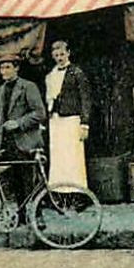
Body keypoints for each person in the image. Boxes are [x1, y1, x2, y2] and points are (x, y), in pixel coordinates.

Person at [0, 53, 43, 215]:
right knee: (14, 181)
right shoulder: (0, 91)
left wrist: (18, 123)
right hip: (7, 143)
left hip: (25, 141)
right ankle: (22, 216)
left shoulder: (28, 86)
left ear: (16, 68)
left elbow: (39, 113)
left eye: (8, 67)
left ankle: (37, 216)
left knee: (29, 181)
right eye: (2, 68)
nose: (4, 71)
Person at [44, 40, 92, 189]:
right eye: (56, 55)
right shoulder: (51, 75)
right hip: (56, 121)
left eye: (62, 54)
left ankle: (77, 192)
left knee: (73, 157)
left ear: (68, 53)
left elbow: (86, 99)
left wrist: (84, 123)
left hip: (72, 120)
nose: (59, 58)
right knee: (58, 158)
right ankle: (59, 192)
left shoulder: (77, 73)